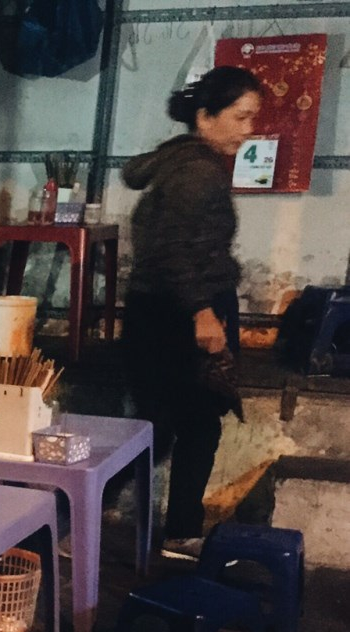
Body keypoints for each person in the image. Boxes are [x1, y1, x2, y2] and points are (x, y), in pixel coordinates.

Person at [122, 65, 262, 559]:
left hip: (159, 308)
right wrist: (203, 312)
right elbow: (173, 249)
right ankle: (178, 533)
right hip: (179, 312)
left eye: (252, 118)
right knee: (190, 425)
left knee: (158, 427)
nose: (248, 130)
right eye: (240, 117)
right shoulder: (198, 172)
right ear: (205, 116)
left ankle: (77, 518)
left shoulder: (178, 163)